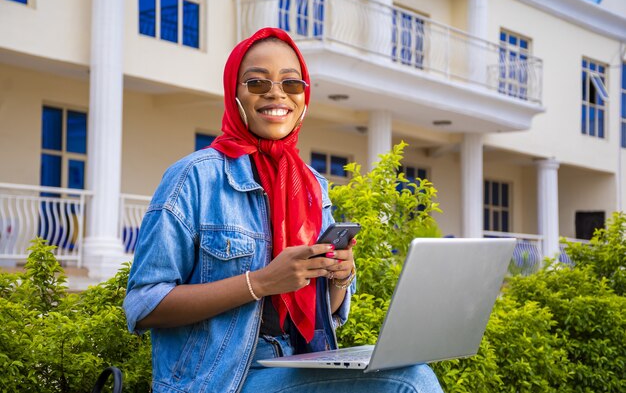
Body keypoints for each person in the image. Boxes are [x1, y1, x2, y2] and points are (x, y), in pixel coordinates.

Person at [124, 27, 444, 393]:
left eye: (291, 84)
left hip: (293, 360)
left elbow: (324, 310)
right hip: (218, 379)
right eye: (258, 83)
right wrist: (259, 283)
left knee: (405, 366)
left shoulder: (310, 185)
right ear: (235, 94)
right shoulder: (194, 177)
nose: (276, 93)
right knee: (409, 382)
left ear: (304, 98)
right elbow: (144, 305)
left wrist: (339, 275)